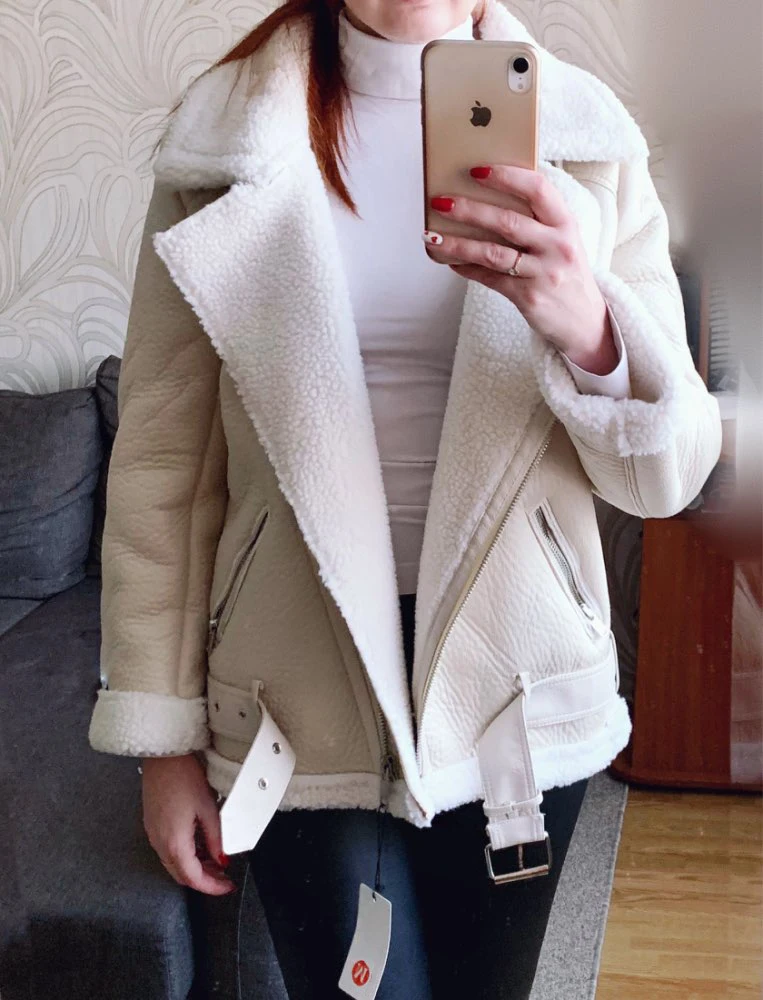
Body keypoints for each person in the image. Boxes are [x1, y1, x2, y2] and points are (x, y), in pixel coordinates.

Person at [88, 0, 722, 996]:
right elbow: (163, 467)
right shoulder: (225, 137)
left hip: (516, 690)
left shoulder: (585, 140)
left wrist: (591, 328)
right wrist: (161, 746)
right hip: (294, 694)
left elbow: (666, 477)